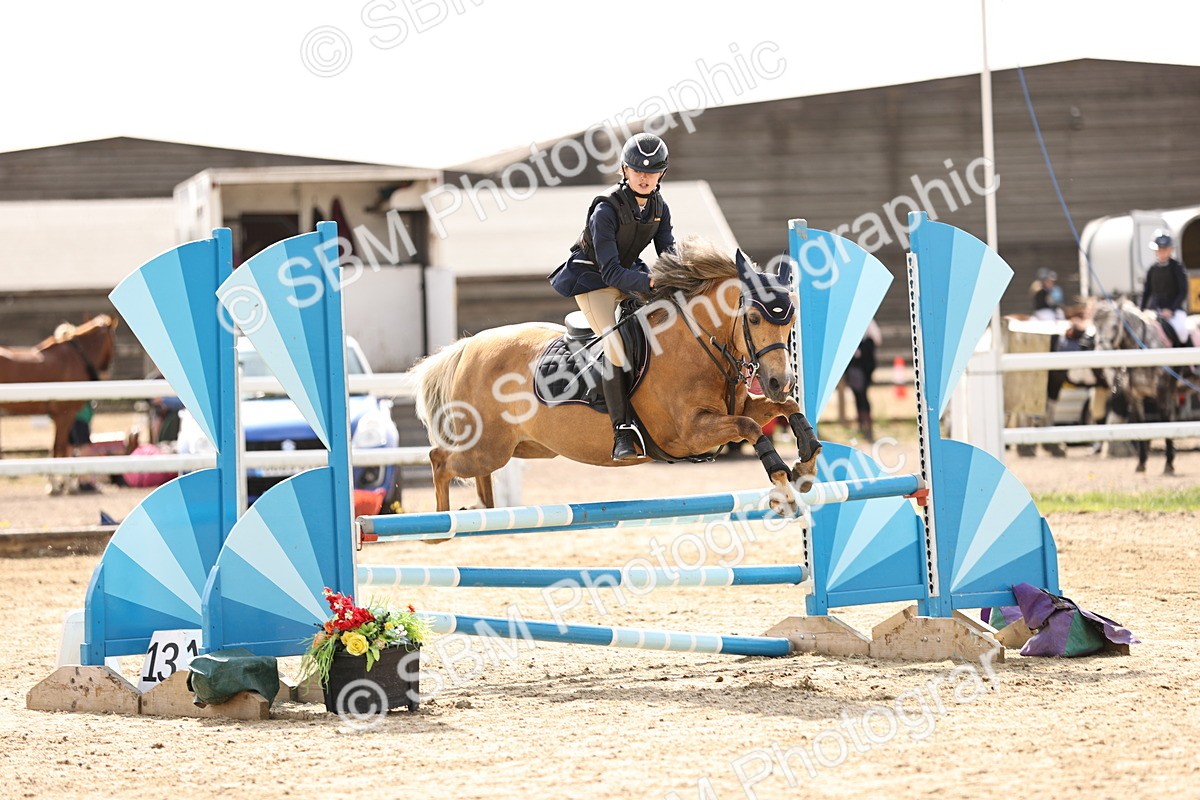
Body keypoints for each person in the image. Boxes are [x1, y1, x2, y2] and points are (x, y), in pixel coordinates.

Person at [548, 132, 675, 462]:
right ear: (624, 170)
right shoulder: (605, 208)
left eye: (652, 171)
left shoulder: (660, 208)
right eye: (637, 170)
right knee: (615, 344)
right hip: (594, 281)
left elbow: (670, 256)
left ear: (662, 173)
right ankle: (621, 432)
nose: (644, 177)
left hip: (630, 276)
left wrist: (684, 281)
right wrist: (653, 281)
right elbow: (610, 273)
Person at [1140, 231, 1190, 347]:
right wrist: (1142, 309)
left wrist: (1171, 309)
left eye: (1165, 249)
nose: (1162, 252)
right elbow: (1147, 291)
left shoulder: (1177, 267)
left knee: (1182, 333)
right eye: (1159, 250)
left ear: (1170, 250)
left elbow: (1183, 291)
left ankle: (1187, 361)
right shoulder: (1152, 269)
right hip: (1155, 310)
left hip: (1174, 310)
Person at [844, 319, 882, 442]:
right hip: (856, 368)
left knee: (862, 396)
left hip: (863, 367)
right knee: (859, 396)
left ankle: (867, 426)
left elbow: (876, 340)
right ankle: (862, 425)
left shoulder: (868, 324)